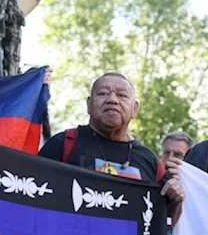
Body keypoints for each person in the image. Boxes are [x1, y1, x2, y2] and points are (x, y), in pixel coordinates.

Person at [38, 72, 185, 223]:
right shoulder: (63, 144)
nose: (112, 100)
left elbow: (164, 223)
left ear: (134, 109)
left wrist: (176, 200)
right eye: (103, 93)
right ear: (89, 104)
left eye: (122, 95)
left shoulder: (151, 162)